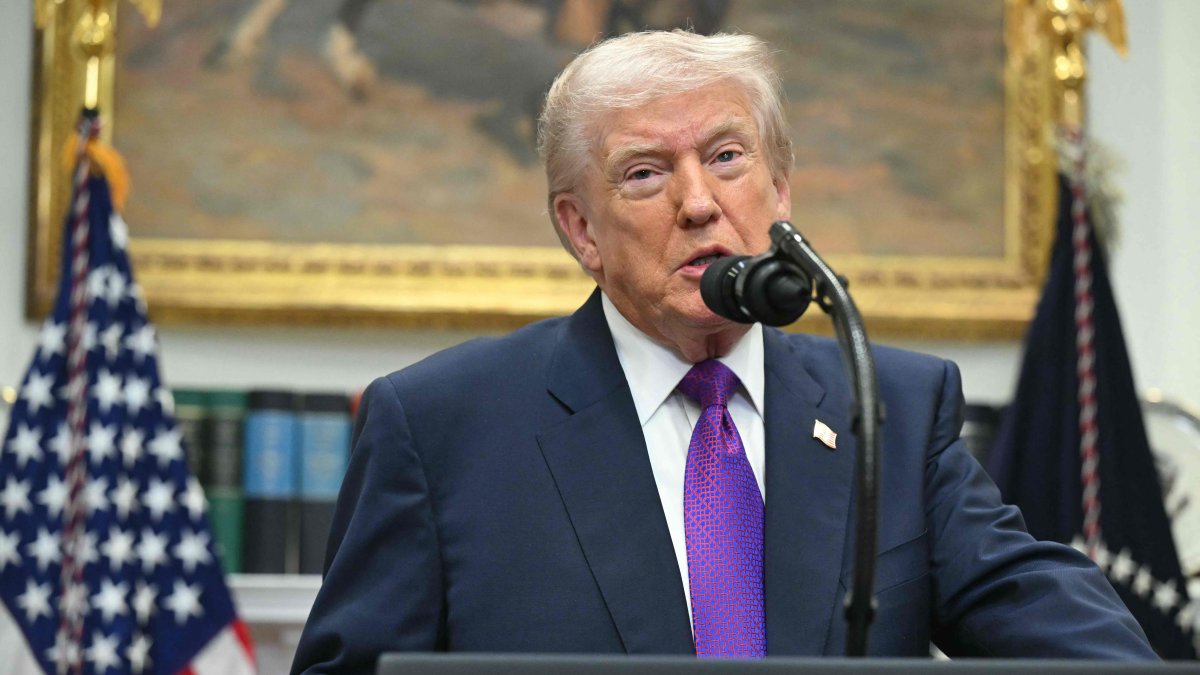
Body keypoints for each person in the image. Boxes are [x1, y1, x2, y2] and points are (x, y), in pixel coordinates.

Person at [291, 30, 1156, 673]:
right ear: (580, 228)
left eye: (727, 157)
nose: (699, 202)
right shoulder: (441, 425)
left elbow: (1043, 616)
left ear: (779, 191)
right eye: (645, 172)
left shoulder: (887, 405)